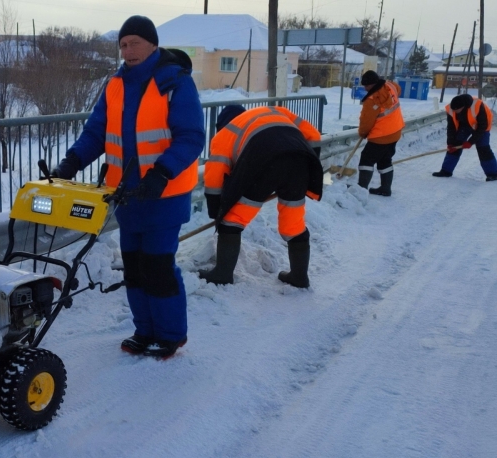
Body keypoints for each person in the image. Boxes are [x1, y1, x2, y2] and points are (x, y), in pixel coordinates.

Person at [50, 15, 204, 359]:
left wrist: (162, 172)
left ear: (152, 44)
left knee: (158, 265)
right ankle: (144, 329)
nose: (128, 50)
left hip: (165, 193)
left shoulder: (174, 82)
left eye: (135, 43)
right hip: (127, 196)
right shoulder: (116, 85)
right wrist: (72, 162)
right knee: (134, 266)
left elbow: (191, 136)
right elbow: (96, 133)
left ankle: (170, 334)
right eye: (122, 44)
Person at [200, 105, 323, 288]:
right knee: (293, 223)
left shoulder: (227, 132)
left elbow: (215, 176)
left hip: (261, 160)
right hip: (300, 158)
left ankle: (222, 274)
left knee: (233, 220)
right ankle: (299, 276)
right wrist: (307, 168)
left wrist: (217, 211)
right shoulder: (275, 111)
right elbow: (314, 135)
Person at [356, 70, 404, 196]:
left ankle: (361, 190)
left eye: (366, 86)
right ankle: (385, 188)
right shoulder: (390, 86)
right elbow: (399, 90)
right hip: (395, 132)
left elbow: (366, 121)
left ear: (372, 84)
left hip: (381, 136)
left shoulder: (372, 100)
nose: (365, 89)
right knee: (385, 160)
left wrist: (363, 133)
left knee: (366, 159)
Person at [432, 93, 497, 181]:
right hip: (464, 126)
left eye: (457, 110)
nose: (455, 112)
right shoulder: (450, 109)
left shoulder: (478, 105)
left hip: (481, 127)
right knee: (454, 146)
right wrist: (450, 143)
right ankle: (446, 171)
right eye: (453, 110)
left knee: (483, 148)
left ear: (463, 107)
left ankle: (493, 174)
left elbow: (482, 126)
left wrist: (470, 142)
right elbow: (451, 128)